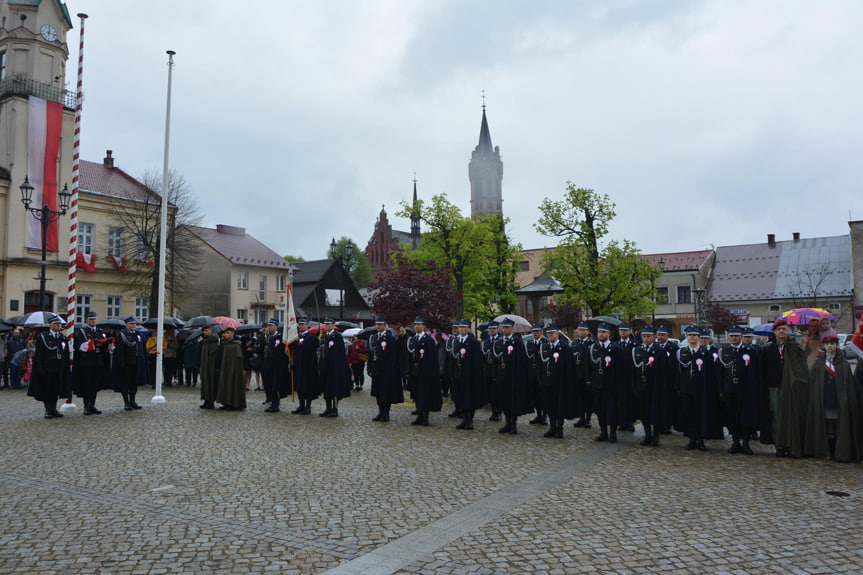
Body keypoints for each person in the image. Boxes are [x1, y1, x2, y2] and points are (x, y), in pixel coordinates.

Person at [803, 334, 862, 462]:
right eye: (827, 343)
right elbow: (814, 382)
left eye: (833, 343)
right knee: (826, 423)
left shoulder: (843, 363)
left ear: (837, 345)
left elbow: (848, 383)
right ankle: (826, 450)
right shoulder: (819, 363)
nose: (830, 345)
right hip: (823, 399)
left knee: (838, 424)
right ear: (823, 346)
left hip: (838, 399)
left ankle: (838, 451)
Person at [769, 318, 809, 457]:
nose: (781, 331)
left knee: (791, 415)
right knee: (776, 416)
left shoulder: (794, 347)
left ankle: (793, 445)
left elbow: (800, 367)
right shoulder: (770, 347)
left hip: (792, 387)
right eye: (779, 329)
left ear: (788, 331)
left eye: (784, 329)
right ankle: (779, 445)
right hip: (775, 386)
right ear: (774, 332)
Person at [718, 326, 762, 454]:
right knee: (732, 417)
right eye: (731, 336)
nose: (734, 338)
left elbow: (755, 372)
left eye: (736, 335)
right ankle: (735, 441)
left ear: (741, 336)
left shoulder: (749, 351)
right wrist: (721, 390)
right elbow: (720, 373)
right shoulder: (724, 351)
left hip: (745, 389)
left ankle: (746, 442)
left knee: (746, 416)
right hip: (729, 389)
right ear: (728, 337)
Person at [27, 316, 70, 419]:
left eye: (59, 324)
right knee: (47, 390)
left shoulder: (62, 337)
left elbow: (65, 354)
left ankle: (54, 409)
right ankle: (48, 410)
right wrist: (40, 368)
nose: (58, 326)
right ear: (50, 325)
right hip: (47, 368)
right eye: (56, 324)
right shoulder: (44, 337)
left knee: (56, 390)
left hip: (58, 368)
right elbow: (39, 354)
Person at [588, 323, 625, 442]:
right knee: (600, 410)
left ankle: (613, 433)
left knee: (612, 410)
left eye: (603, 332)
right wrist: (589, 381)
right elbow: (588, 366)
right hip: (597, 385)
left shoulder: (616, 349)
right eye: (599, 332)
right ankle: (603, 432)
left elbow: (620, 369)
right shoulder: (594, 347)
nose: (601, 334)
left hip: (611, 385)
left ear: (609, 334)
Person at [494, 318, 531, 434]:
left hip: (513, 376)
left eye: (507, 327)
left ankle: (513, 424)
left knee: (513, 401)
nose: (505, 330)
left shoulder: (517, 342)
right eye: (503, 327)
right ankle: (507, 423)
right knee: (503, 400)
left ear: (512, 328)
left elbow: (521, 361)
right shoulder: (499, 342)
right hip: (502, 375)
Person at [538, 325, 576, 438]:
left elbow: (569, 367)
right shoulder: (544, 346)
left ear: (558, 334)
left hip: (560, 382)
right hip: (547, 381)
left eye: (552, 333)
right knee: (549, 406)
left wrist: (568, 382)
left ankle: (559, 428)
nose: (550, 335)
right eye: (548, 333)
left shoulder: (564, 347)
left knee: (559, 406)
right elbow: (541, 365)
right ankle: (552, 427)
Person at [451, 319, 486, 430]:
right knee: (460, 396)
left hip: (469, 375)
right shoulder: (457, 341)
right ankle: (464, 419)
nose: (461, 329)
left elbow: (477, 361)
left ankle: (469, 420)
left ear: (468, 329)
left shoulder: (473, 342)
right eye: (460, 327)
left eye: (464, 327)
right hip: (459, 373)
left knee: (469, 398)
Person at [73, 311, 110, 415]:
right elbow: (80, 346)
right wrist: (93, 344)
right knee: (87, 384)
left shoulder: (100, 331)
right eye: (91, 319)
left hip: (98, 361)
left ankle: (92, 405)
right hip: (87, 362)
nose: (93, 321)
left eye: (94, 319)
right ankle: (86, 405)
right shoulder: (83, 332)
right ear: (87, 320)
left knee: (95, 384)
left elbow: (104, 346)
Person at [407, 317, 442, 426]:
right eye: (415, 324)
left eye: (419, 324)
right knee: (417, 394)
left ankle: (425, 416)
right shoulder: (412, 339)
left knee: (425, 395)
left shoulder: (428, 340)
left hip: (425, 372)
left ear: (424, 326)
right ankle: (419, 415)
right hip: (415, 372)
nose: (416, 326)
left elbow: (432, 359)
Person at [633, 326, 664, 446]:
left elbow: (663, 371)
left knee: (655, 412)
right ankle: (647, 434)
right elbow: (634, 370)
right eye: (644, 336)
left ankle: (655, 435)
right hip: (641, 386)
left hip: (654, 387)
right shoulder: (638, 350)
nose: (645, 339)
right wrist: (634, 386)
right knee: (643, 412)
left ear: (654, 337)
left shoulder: (659, 351)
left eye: (648, 336)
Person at [367, 317, 402, 422]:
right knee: (377, 392)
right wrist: (369, 367)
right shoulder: (373, 337)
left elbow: (392, 356)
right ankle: (380, 412)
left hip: (386, 370)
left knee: (385, 392)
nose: (378, 326)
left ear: (385, 325)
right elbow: (371, 353)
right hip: (376, 369)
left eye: (380, 324)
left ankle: (386, 413)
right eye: (377, 324)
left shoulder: (389, 338)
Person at [112, 316, 147, 411]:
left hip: (136, 362)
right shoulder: (122, 335)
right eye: (131, 324)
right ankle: (126, 402)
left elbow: (142, 348)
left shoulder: (138, 334)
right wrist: (122, 362)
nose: (133, 325)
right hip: (126, 363)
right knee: (125, 384)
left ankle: (133, 401)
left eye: (134, 324)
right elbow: (119, 350)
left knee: (134, 384)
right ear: (126, 325)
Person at [319, 318, 350, 417]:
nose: (327, 326)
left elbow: (341, 353)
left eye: (329, 324)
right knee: (326, 387)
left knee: (334, 388)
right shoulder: (323, 336)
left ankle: (334, 408)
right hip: (325, 366)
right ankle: (328, 408)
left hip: (335, 367)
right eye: (325, 324)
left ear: (333, 325)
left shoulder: (337, 336)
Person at [291, 317, 320, 415]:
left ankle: (308, 406)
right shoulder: (296, 338)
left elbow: (316, 346)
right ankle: (301, 405)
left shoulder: (311, 337)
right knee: (299, 387)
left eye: (303, 325)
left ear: (307, 326)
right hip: (299, 366)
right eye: (299, 325)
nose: (301, 326)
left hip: (308, 368)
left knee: (308, 387)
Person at [261, 318, 290, 413]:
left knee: (275, 385)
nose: (269, 328)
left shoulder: (280, 337)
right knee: (268, 385)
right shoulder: (268, 337)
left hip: (277, 365)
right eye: (268, 326)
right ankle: (272, 402)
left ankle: (275, 404)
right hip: (268, 365)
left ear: (276, 326)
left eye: (271, 326)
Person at [215, 326, 246, 411]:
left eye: (228, 333)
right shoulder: (224, 344)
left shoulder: (236, 345)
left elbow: (238, 358)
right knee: (225, 384)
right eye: (225, 333)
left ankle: (233, 403)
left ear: (233, 334)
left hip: (234, 369)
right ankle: (225, 402)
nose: (226, 334)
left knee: (233, 385)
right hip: (225, 368)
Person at [572, 322, 594, 429]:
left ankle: (588, 418)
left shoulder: (592, 343)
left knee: (588, 398)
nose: (581, 332)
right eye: (580, 330)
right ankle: (581, 417)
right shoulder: (574, 343)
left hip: (587, 375)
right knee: (579, 398)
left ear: (587, 332)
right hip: (577, 374)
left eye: (584, 330)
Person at [616, 323, 638, 433]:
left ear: (629, 332)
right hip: (619, 377)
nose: (623, 332)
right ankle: (622, 422)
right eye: (621, 330)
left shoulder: (634, 344)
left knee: (630, 401)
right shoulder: (615, 344)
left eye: (625, 330)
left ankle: (630, 422)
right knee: (620, 400)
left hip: (631, 377)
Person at [525, 324, 548, 425]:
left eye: (537, 331)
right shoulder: (529, 344)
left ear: (541, 332)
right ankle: (538, 415)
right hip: (532, 373)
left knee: (543, 395)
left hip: (542, 373)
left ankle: (545, 416)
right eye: (533, 331)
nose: (535, 333)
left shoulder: (545, 343)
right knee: (535, 395)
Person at [482, 321, 503, 422]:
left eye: (494, 329)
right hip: (488, 371)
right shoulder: (486, 342)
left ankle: (498, 411)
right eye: (490, 329)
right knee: (490, 393)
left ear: (497, 329)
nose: (492, 330)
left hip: (498, 371)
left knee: (498, 393)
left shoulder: (501, 340)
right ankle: (494, 411)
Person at [198, 324, 221, 410]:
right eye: (204, 331)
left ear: (211, 330)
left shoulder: (215, 342)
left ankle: (211, 402)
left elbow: (217, 355)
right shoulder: (202, 343)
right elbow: (199, 355)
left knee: (211, 384)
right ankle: (206, 400)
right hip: (204, 366)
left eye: (207, 330)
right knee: (205, 384)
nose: (205, 332)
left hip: (212, 367)